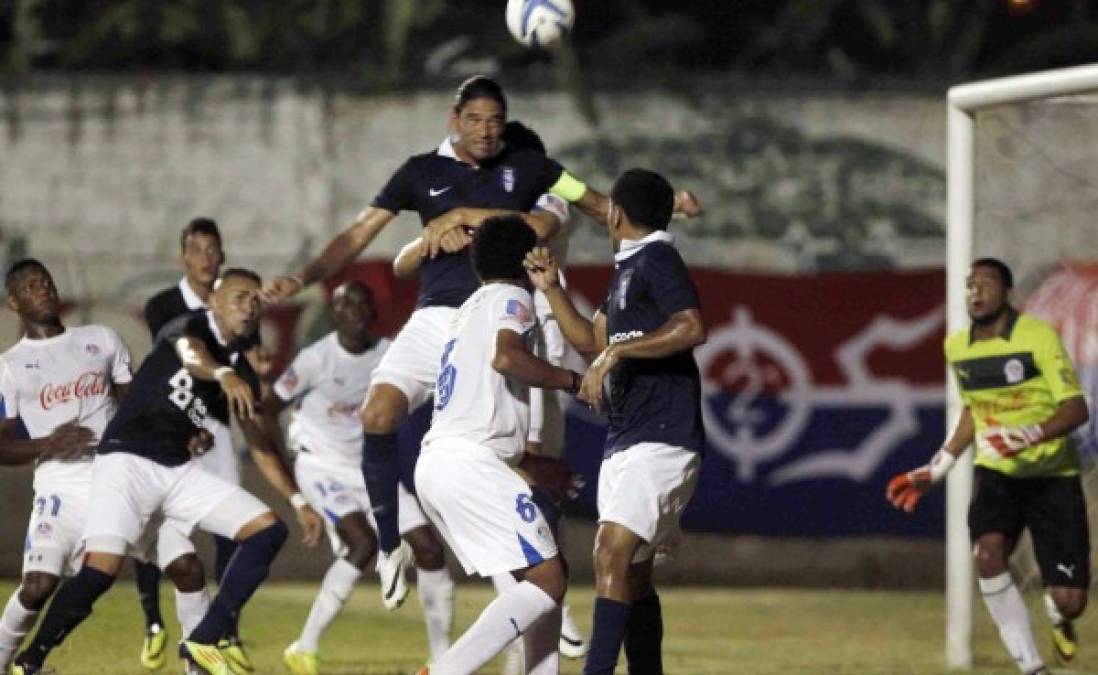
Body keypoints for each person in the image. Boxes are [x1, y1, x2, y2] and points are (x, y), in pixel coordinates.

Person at [262, 75, 702, 610]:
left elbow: (585, 202)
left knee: (524, 459)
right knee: (377, 416)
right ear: (454, 120)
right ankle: (387, 546)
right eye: (475, 120)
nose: (487, 130)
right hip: (434, 318)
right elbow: (358, 235)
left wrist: (662, 207)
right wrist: (305, 279)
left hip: (499, 315)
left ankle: (543, 591)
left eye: (496, 120)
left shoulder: (531, 167)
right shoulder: (420, 173)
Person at [9, 268, 323, 675]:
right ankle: (29, 662)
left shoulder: (240, 371)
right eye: (238, 297)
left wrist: (298, 500)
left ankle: (202, 642)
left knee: (267, 530)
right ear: (213, 301)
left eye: (254, 300)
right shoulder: (188, 328)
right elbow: (193, 357)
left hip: (176, 471)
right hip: (127, 462)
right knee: (100, 571)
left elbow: (260, 443)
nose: (248, 307)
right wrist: (223, 374)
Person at [525, 168, 707, 675]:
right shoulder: (628, 270)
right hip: (628, 436)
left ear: (615, 213)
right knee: (634, 575)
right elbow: (591, 340)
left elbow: (691, 327)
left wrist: (614, 357)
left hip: (662, 433)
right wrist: (551, 287)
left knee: (610, 554)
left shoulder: (657, 257)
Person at [0, 259, 216, 675]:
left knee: (187, 568)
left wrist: (181, 431)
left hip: (121, 476)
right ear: (13, 301)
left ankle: (198, 669)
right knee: (38, 585)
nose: (42, 289)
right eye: (30, 286)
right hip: (60, 486)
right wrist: (49, 443)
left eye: (45, 281)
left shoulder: (101, 339)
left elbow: (138, 407)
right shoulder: (9, 366)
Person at [887, 257, 1090, 675]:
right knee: (987, 553)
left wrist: (1032, 434)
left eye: (987, 284)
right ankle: (1032, 667)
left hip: (1052, 475)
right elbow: (975, 410)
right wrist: (939, 466)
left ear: (1008, 293)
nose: (976, 292)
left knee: (1071, 598)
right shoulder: (957, 346)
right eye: (970, 285)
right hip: (997, 472)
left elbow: (1076, 408)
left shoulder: (1038, 337)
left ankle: (1058, 612)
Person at [414, 215, 582, 675]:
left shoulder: (469, 308)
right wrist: (573, 381)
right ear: (525, 257)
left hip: (441, 462)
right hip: (470, 463)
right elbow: (507, 358)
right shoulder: (513, 296)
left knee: (532, 588)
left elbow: (481, 396)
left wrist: (530, 461)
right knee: (548, 578)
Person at [272, 281, 453, 674]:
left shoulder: (389, 356)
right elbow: (267, 406)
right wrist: (285, 458)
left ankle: (442, 660)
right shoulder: (316, 359)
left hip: (370, 469)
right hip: (320, 466)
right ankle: (304, 647)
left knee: (429, 549)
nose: (352, 311)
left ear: (371, 312)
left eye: (360, 304)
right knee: (362, 542)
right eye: (343, 305)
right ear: (333, 314)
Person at [138, 216, 261, 672]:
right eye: (198, 250)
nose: (206, 258)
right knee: (155, 528)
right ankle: (153, 623)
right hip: (171, 426)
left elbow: (251, 357)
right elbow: (177, 360)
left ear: (223, 256)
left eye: (214, 250)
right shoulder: (164, 306)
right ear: (183, 257)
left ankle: (224, 632)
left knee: (236, 523)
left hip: (217, 427)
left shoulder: (241, 302)